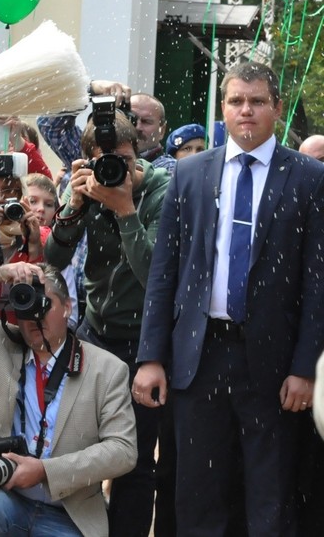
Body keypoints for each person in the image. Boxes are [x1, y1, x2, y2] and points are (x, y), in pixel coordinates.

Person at [136, 60, 324, 536]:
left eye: (257, 101)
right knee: (199, 499)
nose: (246, 111)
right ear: (222, 108)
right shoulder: (190, 174)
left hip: (274, 365)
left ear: (277, 107)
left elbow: (317, 283)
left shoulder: (309, 178)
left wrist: (304, 368)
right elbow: (164, 273)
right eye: (236, 101)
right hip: (199, 359)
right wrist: (151, 357)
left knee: (270, 502)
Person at [0, 261, 138, 536]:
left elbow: (123, 450)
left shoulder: (106, 369)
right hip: (4, 497)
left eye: (45, 303)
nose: (36, 315)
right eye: (26, 302)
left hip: (67, 512)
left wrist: (46, 471)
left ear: (68, 307)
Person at [44, 114, 169, 537]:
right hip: (95, 333)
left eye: (126, 161)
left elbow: (153, 274)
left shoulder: (162, 190)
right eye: (106, 163)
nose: (118, 172)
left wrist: (126, 210)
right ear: (88, 162)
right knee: (75, 447)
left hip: (145, 340)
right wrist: (73, 206)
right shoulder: (85, 184)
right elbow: (54, 258)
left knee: (133, 459)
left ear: (138, 153)